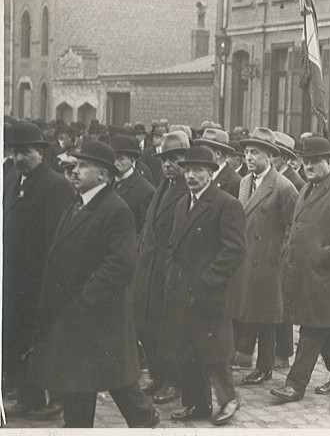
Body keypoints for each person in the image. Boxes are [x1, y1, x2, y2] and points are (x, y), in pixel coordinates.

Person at [29, 141, 158, 428]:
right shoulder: (79, 202)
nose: (73, 172)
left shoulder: (115, 209)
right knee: (81, 384)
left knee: (116, 383)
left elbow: (122, 263)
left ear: (103, 174)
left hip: (99, 316)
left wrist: (86, 298)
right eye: (73, 166)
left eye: (82, 166)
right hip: (76, 315)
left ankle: (145, 421)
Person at [270, 137, 330, 403]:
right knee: (325, 327)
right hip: (305, 274)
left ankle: (295, 384)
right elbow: (295, 226)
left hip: (326, 277)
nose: (308, 166)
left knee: (311, 329)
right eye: (305, 161)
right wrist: (288, 250)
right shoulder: (307, 189)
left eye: (315, 161)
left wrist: (324, 256)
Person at [158, 146, 246, 425]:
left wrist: (208, 281)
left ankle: (229, 399)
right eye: (187, 170)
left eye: (198, 170)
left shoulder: (225, 203)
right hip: (182, 289)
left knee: (213, 352)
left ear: (210, 173)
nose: (191, 175)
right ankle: (197, 404)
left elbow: (234, 250)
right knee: (186, 348)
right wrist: (171, 274)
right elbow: (173, 244)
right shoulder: (184, 202)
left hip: (211, 292)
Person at [3, 122, 75, 420]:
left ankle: (59, 399)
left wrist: (51, 281)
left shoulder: (55, 184)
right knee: (18, 340)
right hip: (15, 280)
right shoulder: (14, 180)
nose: (20, 158)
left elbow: (58, 240)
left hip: (42, 280)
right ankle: (28, 397)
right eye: (16, 152)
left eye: (26, 152)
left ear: (41, 153)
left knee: (48, 341)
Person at [233, 128, 298, 385]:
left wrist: (281, 257)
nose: (249, 157)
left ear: (270, 156)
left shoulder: (283, 187)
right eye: (247, 152)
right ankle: (247, 357)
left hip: (269, 262)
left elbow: (293, 227)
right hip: (246, 258)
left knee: (267, 318)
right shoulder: (244, 182)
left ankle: (265, 366)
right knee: (249, 312)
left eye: (255, 152)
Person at [132, 131, 190, 405]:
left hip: (170, 272)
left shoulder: (187, 191)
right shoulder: (163, 185)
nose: (168, 165)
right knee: (149, 326)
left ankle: (174, 382)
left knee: (170, 331)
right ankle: (158, 376)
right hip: (150, 269)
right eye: (165, 160)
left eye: (175, 160)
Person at [110, 135, 155, 235]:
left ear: (132, 160)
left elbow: (146, 231)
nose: (115, 163)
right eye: (113, 159)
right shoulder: (107, 184)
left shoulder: (146, 191)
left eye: (121, 159)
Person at [193, 128, 241, 198]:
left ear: (218, 154)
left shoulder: (235, 182)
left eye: (205, 151)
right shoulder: (198, 174)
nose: (201, 155)